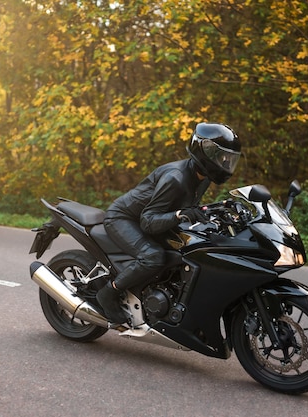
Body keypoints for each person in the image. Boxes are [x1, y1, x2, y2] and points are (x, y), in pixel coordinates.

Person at [96, 122, 242, 323]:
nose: (226, 164)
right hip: (123, 218)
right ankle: (108, 293)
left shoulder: (203, 177)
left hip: (155, 218)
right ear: (205, 153)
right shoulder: (176, 178)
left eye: (230, 160)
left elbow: (187, 206)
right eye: (222, 158)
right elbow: (147, 221)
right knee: (153, 257)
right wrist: (181, 214)